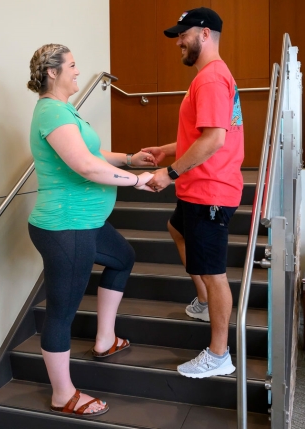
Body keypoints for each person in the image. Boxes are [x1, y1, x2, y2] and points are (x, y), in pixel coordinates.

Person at [26, 43, 154, 417]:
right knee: (61, 313)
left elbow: (95, 154)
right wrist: (135, 180)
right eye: (73, 65)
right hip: (67, 227)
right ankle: (62, 394)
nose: (78, 72)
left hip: (86, 224)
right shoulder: (50, 111)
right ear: (53, 72)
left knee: (123, 257)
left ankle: (104, 339)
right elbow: (85, 166)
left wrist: (130, 158)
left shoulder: (65, 112)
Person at [143, 7, 244, 379]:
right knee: (177, 229)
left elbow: (215, 140)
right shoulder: (210, 77)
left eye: (183, 35)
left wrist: (169, 173)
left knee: (214, 273)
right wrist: (166, 150)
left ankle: (219, 355)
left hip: (210, 190)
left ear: (204, 34)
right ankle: (203, 301)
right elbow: (204, 133)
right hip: (197, 187)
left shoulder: (213, 79)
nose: (178, 42)